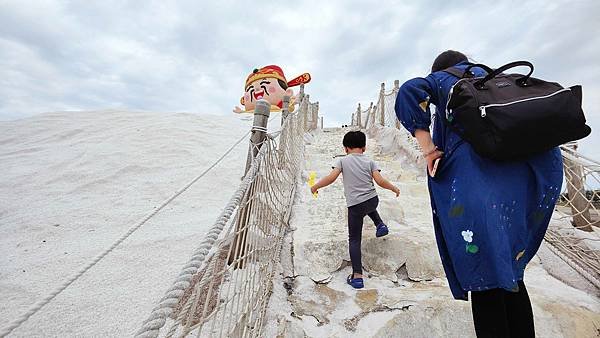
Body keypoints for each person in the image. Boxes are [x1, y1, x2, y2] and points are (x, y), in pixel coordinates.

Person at [395, 50, 563, 337]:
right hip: (529, 186)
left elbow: (410, 91)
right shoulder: (496, 81)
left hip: (479, 191)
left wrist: (428, 147)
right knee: (508, 274)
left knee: (483, 274)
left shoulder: (444, 80)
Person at [310, 130, 400, 289]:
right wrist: (393, 188)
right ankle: (380, 225)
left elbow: (331, 178)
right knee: (368, 203)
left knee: (354, 239)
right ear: (364, 148)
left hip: (355, 206)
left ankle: (357, 276)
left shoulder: (342, 161)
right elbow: (379, 181)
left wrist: (316, 186)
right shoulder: (370, 161)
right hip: (373, 200)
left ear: (345, 149)